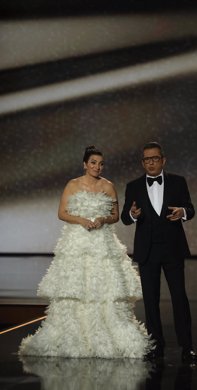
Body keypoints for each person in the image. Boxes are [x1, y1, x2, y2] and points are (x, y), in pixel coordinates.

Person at [19, 145, 153, 359]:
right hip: (77, 242)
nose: (97, 167)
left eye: (100, 164)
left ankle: (106, 335)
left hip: (102, 242)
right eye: (93, 162)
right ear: (84, 164)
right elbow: (62, 213)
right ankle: (72, 337)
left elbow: (116, 215)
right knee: (75, 287)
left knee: (104, 289)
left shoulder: (108, 186)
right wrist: (80, 220)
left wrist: (102, 219)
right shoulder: (72, 185)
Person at [121, 141, 197, 364]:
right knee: (150, 301)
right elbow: (126, 217)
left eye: (155, 158)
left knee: (179, 298)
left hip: (173, 249)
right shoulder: (133, 186)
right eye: (147, 159)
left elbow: (190, 209)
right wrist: (133, 214)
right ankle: (156, 346)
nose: (151, 162)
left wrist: (182, 211)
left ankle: (187, 346)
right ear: (142, 162)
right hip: (147, 251)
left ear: (163, 160)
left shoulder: (177, 182)